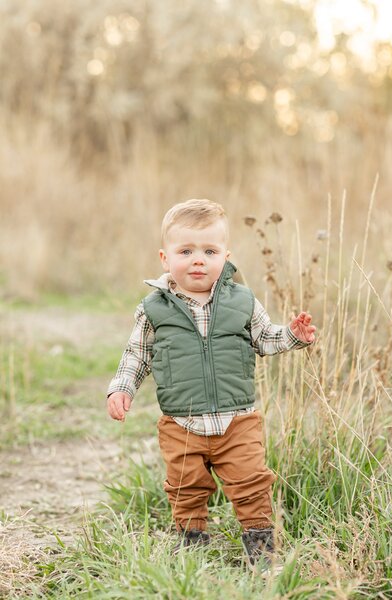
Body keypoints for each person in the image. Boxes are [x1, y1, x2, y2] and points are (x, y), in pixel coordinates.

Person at [106, 198, 316, 573]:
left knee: (251, 482)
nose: (198, 259)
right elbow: (136, 355)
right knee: (185, 486)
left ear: (226, 255)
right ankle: (192, 543)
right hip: (181, 422)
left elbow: (266, 339)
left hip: (238, 420)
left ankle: (261, 548)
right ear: (165, 258)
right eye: (186, 251)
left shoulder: (243, 301)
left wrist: (293, 335)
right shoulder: (154, 308)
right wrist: (122, 388)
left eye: (209, 250)